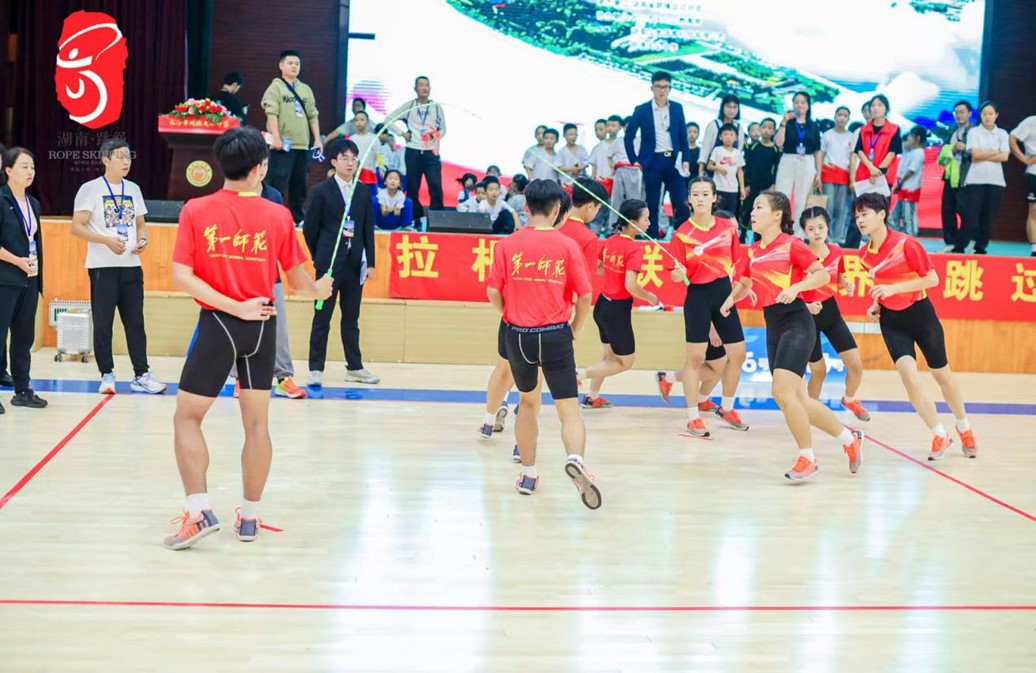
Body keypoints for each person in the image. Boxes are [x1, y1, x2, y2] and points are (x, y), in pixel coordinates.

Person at [162, 126, 333, 550]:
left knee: (187, 418)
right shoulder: (278, 215)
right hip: (263, 327)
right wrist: (320, 288)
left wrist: (233, 306)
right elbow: (299, 283)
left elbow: (182, 276)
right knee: (257, 426)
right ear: (260, 168)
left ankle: (199, 512)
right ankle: (250, 518)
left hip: (219, 324)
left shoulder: (196, 209)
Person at [724, 190, 864, 481]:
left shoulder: (792, 245)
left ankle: (807, 458)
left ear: (777, 215)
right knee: (798, 400)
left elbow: (822, 275)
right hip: (773, 324)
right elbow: (745, 283)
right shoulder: (754, 250)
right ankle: (850, 439)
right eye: (753, 208)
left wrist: (795, 289)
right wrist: (729, 301)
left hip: (797, 322)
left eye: (759, 207)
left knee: (782, 393)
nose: (752, 212)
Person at [485, 179, 600, 509]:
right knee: (569, 409)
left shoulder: (507, 245)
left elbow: (492, 290)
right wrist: (575, 328)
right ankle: (575, 458)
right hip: (555, 334)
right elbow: (585, 296)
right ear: (557, 209)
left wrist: (508, 314)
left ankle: (529, 474)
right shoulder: (567, 246)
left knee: (527, 403)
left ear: (526, 207)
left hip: (519, 335)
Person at [855, 192, 977, 460]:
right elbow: (882, 284)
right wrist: (876, 303)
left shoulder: (906, 244)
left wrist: (894, 288)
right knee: (909, 378)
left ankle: (964, 427)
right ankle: (939, 435)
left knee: (942, 376)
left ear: (882, 214)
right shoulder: (864, 255)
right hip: (891, 321)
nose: (860, 220)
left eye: (865, 214)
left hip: (921, 316)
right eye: (857, 216)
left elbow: (931, 279)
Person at [70, 139, 165, 395]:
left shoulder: (133, 189)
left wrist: (143, 240)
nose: (126, 161)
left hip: (131, 265)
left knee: (136, 322)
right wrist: (106, 241)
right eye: (120, 156)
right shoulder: (90, 189)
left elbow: (141, 224)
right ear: (106, 160)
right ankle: (107, 374)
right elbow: (76, 227)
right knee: (103, 323)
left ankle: (142, 374)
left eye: (128, 156)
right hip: (103, 266)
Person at [662, 176, 749, 437]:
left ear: (714, 198)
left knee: (738, 355)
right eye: (695, 194)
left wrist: (742, 290)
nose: (700, 199)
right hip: (698, 297)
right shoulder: (681, 234)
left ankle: (727, 408)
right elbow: (674, 274)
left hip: (723, 294)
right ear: (689, 199)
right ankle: (693, 417)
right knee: (695, 359)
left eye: (705, 194)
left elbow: (736, 263)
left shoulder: (727, 229)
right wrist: (677, 273)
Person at [303, 138, 380, 386]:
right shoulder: (321, 191)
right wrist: (320, 257)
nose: (350, 163)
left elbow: (367, 228)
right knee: (322, 317)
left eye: (354, 159)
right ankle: (316, 368)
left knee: (351, 318)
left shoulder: (362, 191)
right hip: (328, 265)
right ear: (334, 162)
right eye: (345, 158)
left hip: (354, 264)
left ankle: (354, 367)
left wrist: (370, 263)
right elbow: (310, 229)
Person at [581, 199, 659, 408]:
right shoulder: (634, 249)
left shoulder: (609, 241)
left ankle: (592, 397)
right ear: (632, 222)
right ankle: (578, 376)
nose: (649, 223)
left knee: (608, 357)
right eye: (645, 219)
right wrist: (649, 297)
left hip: (602, 306)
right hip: (617, 309)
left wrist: (614, 273)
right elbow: (631, 285)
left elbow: (598, 268)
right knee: (626, 362)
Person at [798, 207, 869, 421]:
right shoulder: (800, 255)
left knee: (856, 366)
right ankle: (809, 414)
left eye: (821, 227)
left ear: (828, 227)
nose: (817, 232)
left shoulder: (837, 252)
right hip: (807, 315)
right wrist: (806, 306)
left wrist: (846, 284)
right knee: (819, 371)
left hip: (831, 312)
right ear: (804, 231)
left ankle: (849, 399)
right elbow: (791, 286)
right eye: (811, 229)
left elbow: (839, 275)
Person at [0, 147, 46, 411]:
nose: (30, 172)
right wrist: (17, 261)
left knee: (23, 338)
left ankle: (22, 390)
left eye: (33, 167)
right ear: (8, 170)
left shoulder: (33, 203)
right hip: (5, 279)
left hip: (29, 279)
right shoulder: (1, 199)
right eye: (24, 167)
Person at [624, 71, 691, 238]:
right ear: (652, 88)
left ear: (670, 88)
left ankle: (682, 235)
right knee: (652, 202)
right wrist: (634, 160)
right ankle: (652, 236)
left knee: (681, 200)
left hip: (673, 160)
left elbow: (683, 135)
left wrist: (686, 159)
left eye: (665, 87)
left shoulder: (677, 108)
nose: (662, 90)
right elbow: (629, 136)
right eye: (658, 86)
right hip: (652, 161)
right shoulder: (642, 110)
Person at [261, 50, 322, 225]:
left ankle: (297, 218)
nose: (294, 66)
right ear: (281, 65)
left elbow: (313, 115)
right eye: (290, 63)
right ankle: (271, 217)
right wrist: (276, 137)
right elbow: (271, 113)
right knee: (277, 182)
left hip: (302, 145)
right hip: (282, 145)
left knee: (300, 184)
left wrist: (317, 139)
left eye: (297, 63)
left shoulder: (305, 89)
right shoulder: (275, 88)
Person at [386, 76, 446, 220]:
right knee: (412, 187)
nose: (424, 88)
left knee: (435, 185)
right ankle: (415, 217)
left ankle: (437, 218)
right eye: (421, 85)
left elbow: (443, 129)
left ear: (430, 89)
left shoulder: (436, 107)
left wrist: (436, 135)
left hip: (431, 152)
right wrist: (402, 134)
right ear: (415, 89)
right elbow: (388, 120)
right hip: (413, 151)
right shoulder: (410, 106)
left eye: (427, 85)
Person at [953, 101, 1009, 255]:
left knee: (988, 216)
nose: (987, 117)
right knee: (970, 216)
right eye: (984, 114)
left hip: (996, 181)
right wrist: (995, 152)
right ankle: (960, 246)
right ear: (980, 116)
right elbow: (976, 155)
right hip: (975, 180)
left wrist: (987, 153)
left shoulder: (1002, 134)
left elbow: (1004, 157)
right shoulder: (974, 132)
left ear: (996, 115)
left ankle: (980, 247)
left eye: (990, 114)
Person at [774, 91, 823, 228]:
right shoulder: (788, 123)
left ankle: (798, 232)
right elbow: (778, 143)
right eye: (796, 102)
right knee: (782, 196)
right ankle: (780, 229)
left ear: (808, 105)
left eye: (802, 102)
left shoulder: (813, 125)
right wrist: (784, 122)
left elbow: (817, 151)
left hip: (807, 160)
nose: (799, 105)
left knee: (802, 198)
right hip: (788, 159)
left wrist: (819, 173)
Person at [937, 101, 973, 252]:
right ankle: (950, 242)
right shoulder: (952, 131)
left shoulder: (974, 132)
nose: (959, 115)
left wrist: (965, 149)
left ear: (969, 113)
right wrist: (952, 149)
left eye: (962, 112)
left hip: (966, 177)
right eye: (956, 112)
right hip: (950, 176)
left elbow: (979, 152)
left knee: (964, 210)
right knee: (947, 209)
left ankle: (964, 242)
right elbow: (942, 154)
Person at [819, 106, 856, 244]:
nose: (842, 118)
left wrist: (852, 179)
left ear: (848, 119)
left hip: (844, 177)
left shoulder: (851, 136)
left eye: (845, 116)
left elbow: (853, 158)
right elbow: (821, 155)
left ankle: (837, 237)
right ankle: (826, 237)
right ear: (835, 116)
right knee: (829, 206)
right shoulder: (827, 135)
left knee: (841, 209)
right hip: (828, 175)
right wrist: (818, 175)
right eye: (839, 115)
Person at [558, 177, 608, 277]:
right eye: (598, 208)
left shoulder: (554, 225)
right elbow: (585, 279)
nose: (597, 212)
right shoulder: (589, 238)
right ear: (590, 206)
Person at [741, 117, 781, 241]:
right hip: (753, 184)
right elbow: (747, 166)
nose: (766, 130)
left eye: (770, 128)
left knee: (762, 211)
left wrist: (773, 184)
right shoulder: (753, 147)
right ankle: (742, 235)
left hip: (766, 186)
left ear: (774, 131)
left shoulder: (775, 150)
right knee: (748, 209)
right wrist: (746, 184)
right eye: (764, 127)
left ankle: (758, 237)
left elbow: (776, 169)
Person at [890, 126, 928, 237]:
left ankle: (911, 237)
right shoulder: (909, 151)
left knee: (908, 217)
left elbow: (911, 171)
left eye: (911, 136)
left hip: (910, 189)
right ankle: (897, 235)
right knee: (894, 216)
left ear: (918, 138)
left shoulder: (919, 153)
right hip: (903, 188)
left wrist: (900, 183)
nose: (908, 139)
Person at [698, 94, 747, 176]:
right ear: (722, 107)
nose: (731, 110)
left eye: (735, 107)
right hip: (712, 172)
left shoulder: (739, 128)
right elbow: (705, 150)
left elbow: (738, 152)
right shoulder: (714, 125)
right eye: (729, 106)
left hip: (729, 173)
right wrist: (700, 172)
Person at [1009, 113, 1036, 257]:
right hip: (1034, 172)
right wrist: (1025, 160)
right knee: (1034, 209)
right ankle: (1035, 247)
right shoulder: (1031, 121)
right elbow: (1012, 138)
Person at [609, 116, 644, 227]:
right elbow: (609, 156)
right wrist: (613, 167)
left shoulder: (641, 141)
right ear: (623, 127)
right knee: (616, 199)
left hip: (635, 171)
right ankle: (614, 226)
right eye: (626, 126)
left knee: (635, 200)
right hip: (620, 170)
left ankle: (635, 226)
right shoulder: (617, 141)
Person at [706, 124, 746, 216]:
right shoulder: (717, 150)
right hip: (718, 187)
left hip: (733, 189)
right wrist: (718, 168)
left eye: (731, 135)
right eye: (726, 134)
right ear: (720, 137)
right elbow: (709, 166)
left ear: (736, 138)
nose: (728, 137)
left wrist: (742, 188)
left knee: (730, 214)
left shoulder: (738, 153)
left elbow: (740, 171)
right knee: (716, 213)